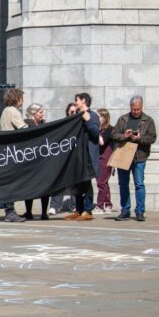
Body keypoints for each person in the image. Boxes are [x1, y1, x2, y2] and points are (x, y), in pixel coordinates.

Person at [112, 95, 157, 222]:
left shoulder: (148, 120)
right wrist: (125, 136)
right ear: (130, 107)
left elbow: (152, 137)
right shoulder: (123, 119)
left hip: (140, 156)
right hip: (124, 156)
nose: (136, 111)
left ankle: (140, 211)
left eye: (138, 109)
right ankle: (125, 210)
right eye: (134, 109)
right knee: (123, 184)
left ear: (141, 107)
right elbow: (114, 134)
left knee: (139, 184)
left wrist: (140, 138)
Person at [65, 93, 100, 221]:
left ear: (83, 101)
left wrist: (87, 119)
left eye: (77, 100)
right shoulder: (77, 116)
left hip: (88, 156)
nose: (75, 102)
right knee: (77, 182)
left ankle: (88, 210)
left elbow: (96, 132)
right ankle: (78, 210)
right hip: (77, 155)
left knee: (87, 182)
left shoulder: (93, 116)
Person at [0, 88, 27, 222]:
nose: (22, 100)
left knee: (9, 182)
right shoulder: (13, 111)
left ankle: (9, 210)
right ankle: (10, 211)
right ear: (16, 99)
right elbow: (23, 128)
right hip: (12, 151)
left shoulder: (5, 111)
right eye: (21, 98)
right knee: (12, 183)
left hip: (6, 150)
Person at [49, 102, 81, 214]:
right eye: (71, 111)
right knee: (59, 181)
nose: (73, 113)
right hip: (63, 157)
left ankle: (73, 206)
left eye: (75, 111)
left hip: (75, 157)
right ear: (67, 112)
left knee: (74, 182)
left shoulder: (80, 123)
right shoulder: (63, 124)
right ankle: (54, 206)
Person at [22, 103, 50, 220]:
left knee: (45, 186)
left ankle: (44, 212)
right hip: (30, 159)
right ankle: (28, 211)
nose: (42, 114)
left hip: (43, 159)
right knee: (29, 185)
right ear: (33, 113)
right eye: (40, 112)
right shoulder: (27, 124)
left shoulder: (44, 124)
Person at [95, 108, 114, 214]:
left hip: (106, 158)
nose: (96, 119)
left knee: (101, 182)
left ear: (104, 117)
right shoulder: (100, 129)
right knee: (104, 182)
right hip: (98, 157)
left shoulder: (109, 129)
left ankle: (99, 206)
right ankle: (108, 204)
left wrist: (95, 131)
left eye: (98, 117)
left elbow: (102, 142)